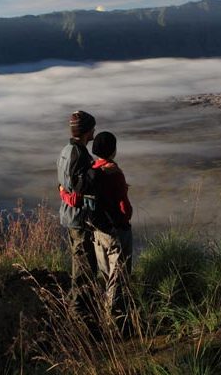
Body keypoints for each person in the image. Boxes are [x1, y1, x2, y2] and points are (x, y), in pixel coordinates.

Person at [88, 131, 134, 329]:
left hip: (98, 232)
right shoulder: (114, 173)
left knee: (107, 276)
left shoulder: (90, 171)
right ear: (113, 151)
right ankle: (117, 324)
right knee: (119, 279)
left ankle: (108, 316)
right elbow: (124, 208)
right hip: (117, 232)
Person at [56, 110, 98, 315]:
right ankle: (79, 316)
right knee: (84, 269)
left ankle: (75, 309)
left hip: (69, 215)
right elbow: (79, 186)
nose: (94, 132)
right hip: (79, 218)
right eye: (92, 128)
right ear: (85, 131)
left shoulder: (65, 150)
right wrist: (97, 171)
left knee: (79, 265)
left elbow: (62, 185)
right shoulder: (79, 154)